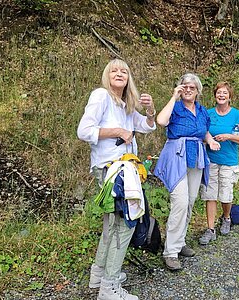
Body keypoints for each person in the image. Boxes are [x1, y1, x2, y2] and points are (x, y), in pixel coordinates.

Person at [77, 58, 156, 300]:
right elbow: (83, 130)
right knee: (125, 225)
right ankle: (109, 287)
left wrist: (151, 110)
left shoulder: (125, 105)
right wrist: (117, 132)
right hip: (112, 170)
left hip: (123, 168)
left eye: (124, 70)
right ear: (107, 75)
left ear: (129, 77)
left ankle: (99, 275)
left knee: (111, 225)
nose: (119, 73)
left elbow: (147, 126)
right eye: (114, 70)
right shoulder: (101, 96)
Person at [154, 73, 220, 271]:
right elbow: (161, 121)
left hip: (196, 156)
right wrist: (174, 97)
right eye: (185, 86)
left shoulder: (201, 111)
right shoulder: (175, 106)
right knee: (180, 201)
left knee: (190, 200)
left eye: (192, 87)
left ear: (198, 91)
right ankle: (170, 252)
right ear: (180, 89)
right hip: (176, 156)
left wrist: (210, 140)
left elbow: (203, 131)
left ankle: (180, 241)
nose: (189, 89)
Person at [199, 81, 239, 245]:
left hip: (229, 160)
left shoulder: (236, 114)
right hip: (211, 160)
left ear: (229, 97)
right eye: (219, 92)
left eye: (224, 93)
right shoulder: (208, 113)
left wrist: (228, 136)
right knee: (210, 194)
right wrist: (208, 140)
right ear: (215, 95)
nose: (221, 95)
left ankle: (226, 217)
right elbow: (202, 132)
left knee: (226, 194)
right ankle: (210, 229)